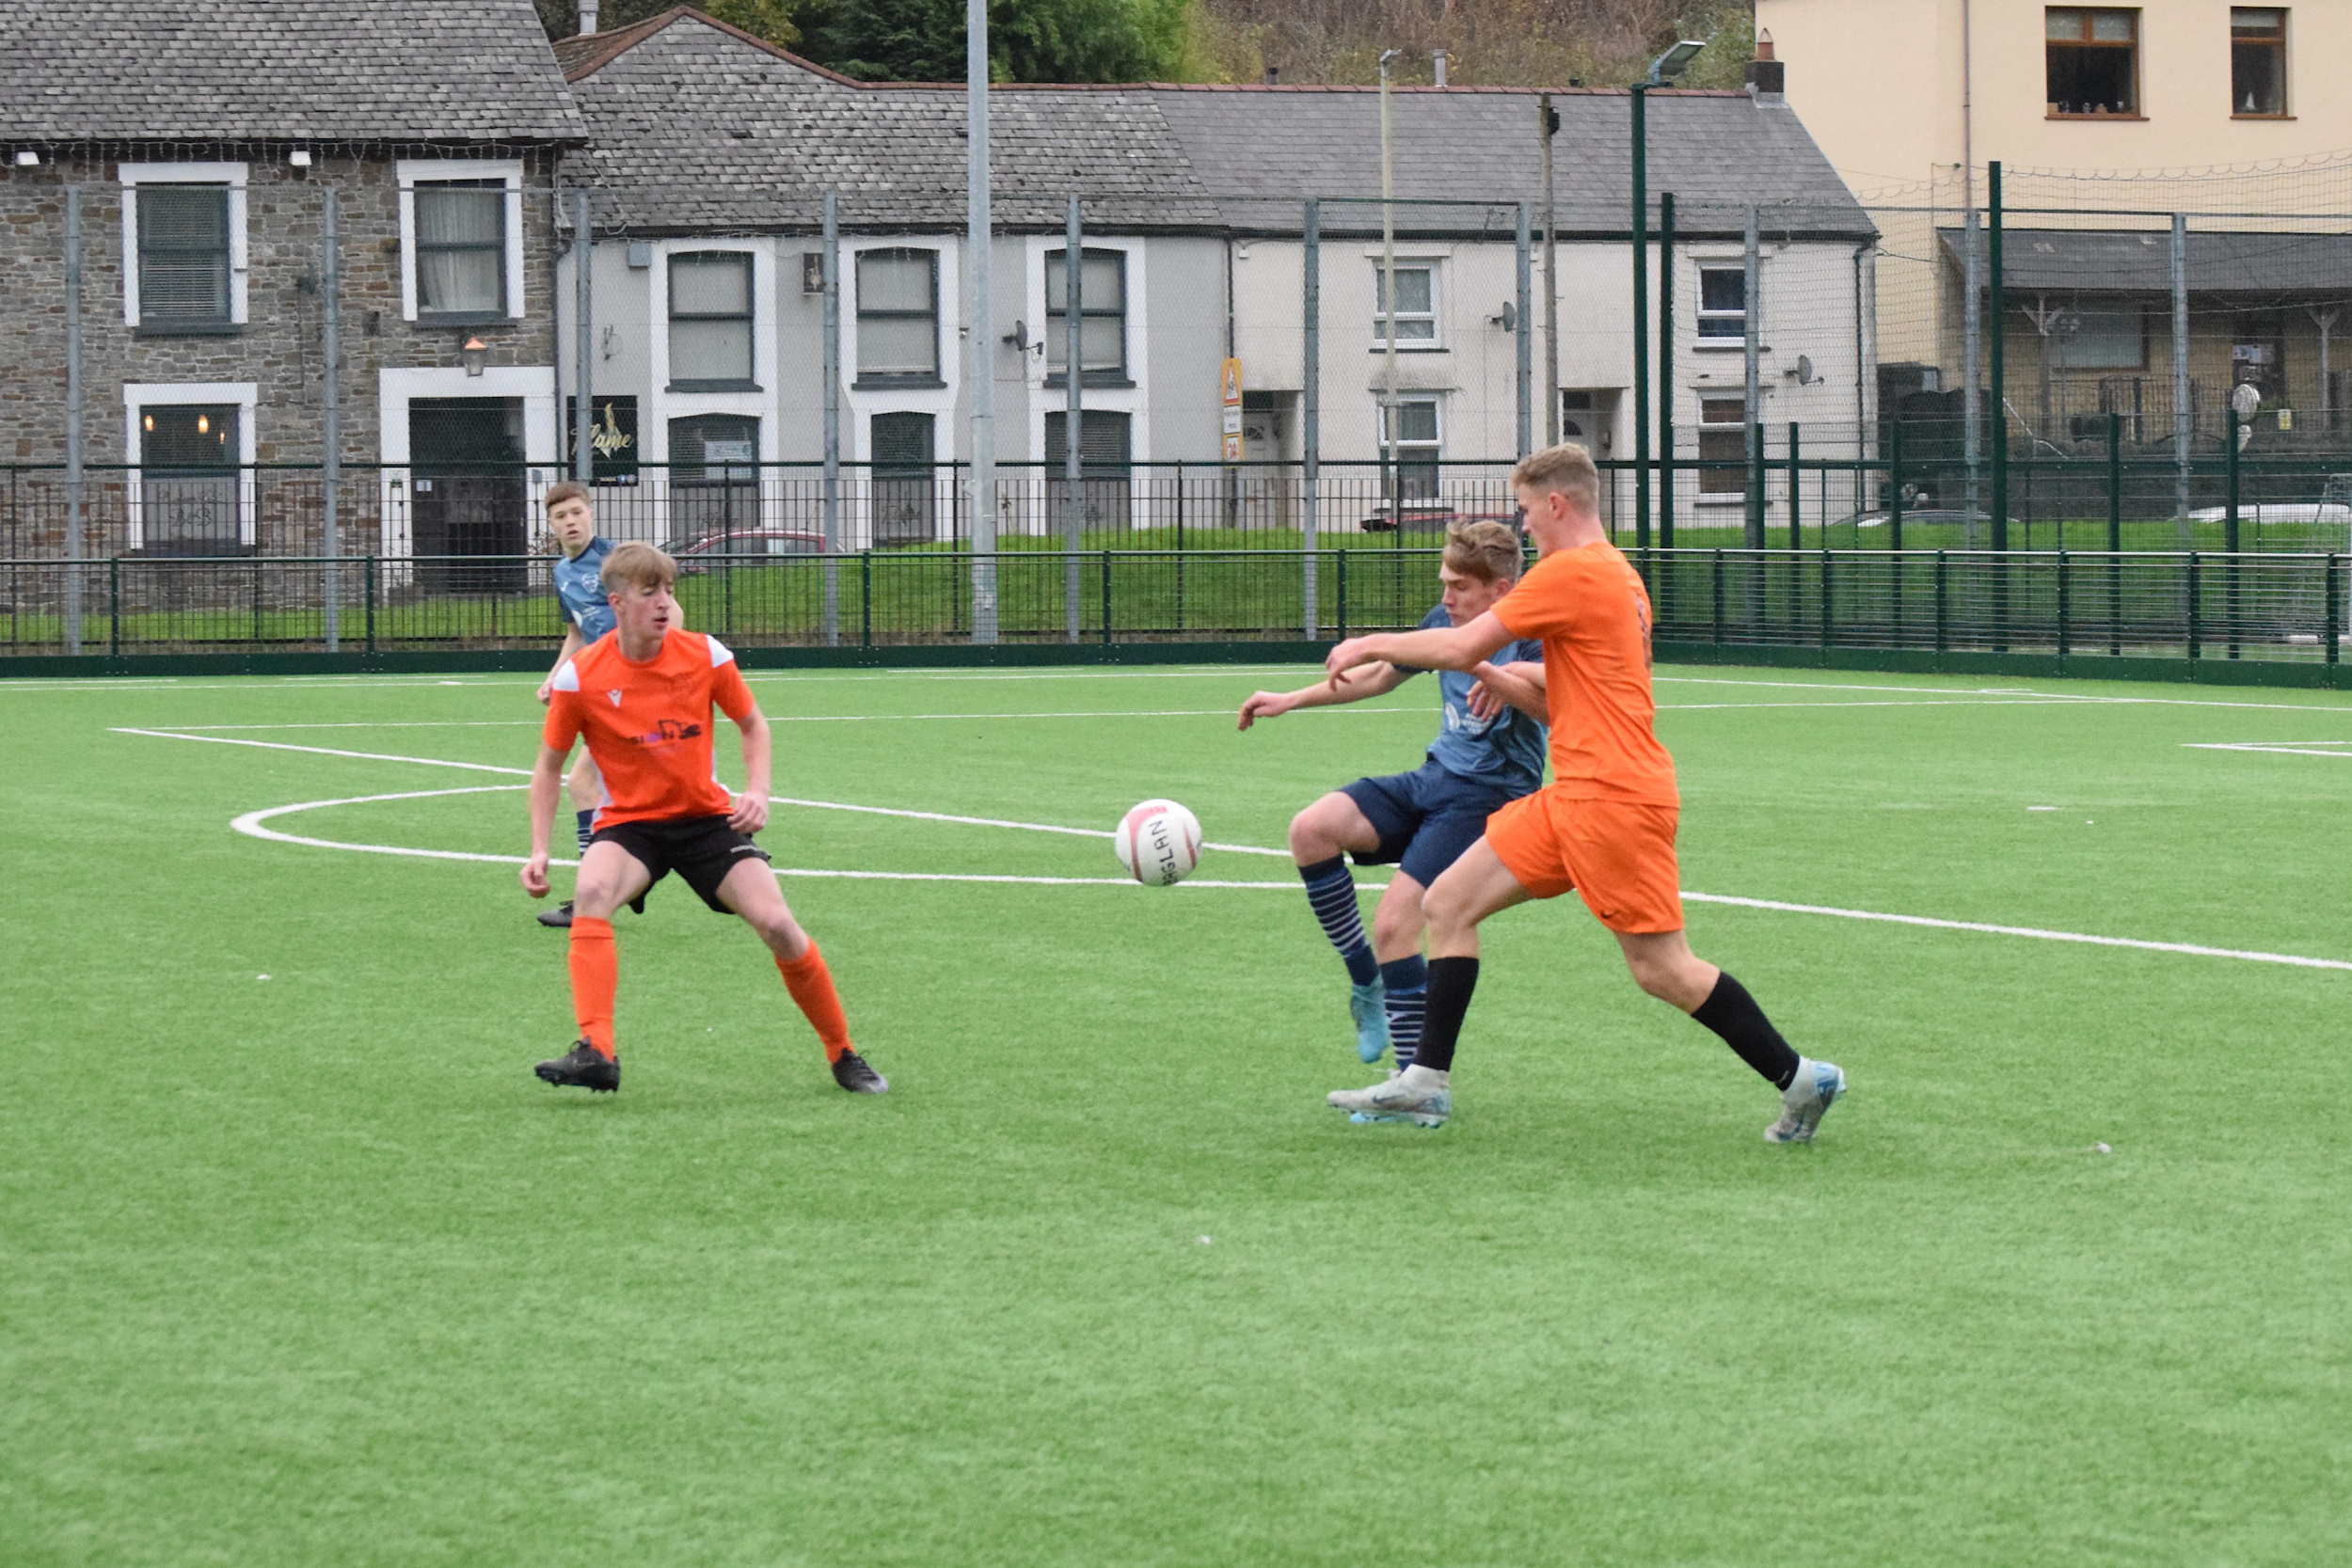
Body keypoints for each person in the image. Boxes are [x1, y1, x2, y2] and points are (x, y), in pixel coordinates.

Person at [1319, 444, 1846, 1140]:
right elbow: (1563, 686)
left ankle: (1802, 1078)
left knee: (1662, 969)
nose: (1526, 526)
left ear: (1558, 504)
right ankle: (1425, 1083)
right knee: (1447, 902)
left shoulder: (1571, 571)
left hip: (1616, 799)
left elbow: (1457, 644)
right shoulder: (1619, 574)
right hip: (1576, 793)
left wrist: (1365, 642)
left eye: (1530, 512)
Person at [519, 541, 887, 1096]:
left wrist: (758, 792)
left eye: (669, 590)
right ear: (617, 602)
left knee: (779, 926)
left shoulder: (706, 656)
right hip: (631, 827)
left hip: (707, 821)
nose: (665, 602)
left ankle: (843, 1053)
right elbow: (548, 768)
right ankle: (597, 1050)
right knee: (592, 891)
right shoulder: (581, 677)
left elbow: (754, 725)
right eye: (650, 592)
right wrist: (540, 849)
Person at [1237, 520, 1548, 1084]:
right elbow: (1381, 675)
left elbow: (1562, 697)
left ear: (1500, 591)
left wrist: (1505, 681)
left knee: (1394, 925)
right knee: (1312, 829)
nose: (1446, 598)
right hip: (1435, 778)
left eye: (1460, 587)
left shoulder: (1530, 632)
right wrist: (1291, 699)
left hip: (1490, 798)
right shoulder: (1445, 622)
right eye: (1445, 583)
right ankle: (1366, 983)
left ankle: (1415, 1083)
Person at [533, 482, 627, 930]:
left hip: (630, 689)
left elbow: (671, 612)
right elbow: (576, 633)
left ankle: (594, 894)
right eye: (560, 517)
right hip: (602, 688)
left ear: (591, 514)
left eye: (576, 512)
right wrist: (555, 676)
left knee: (582, 781)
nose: (570, 521)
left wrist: (656, 664)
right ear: (550, 526)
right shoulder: (560, 573)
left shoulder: (616, 561)